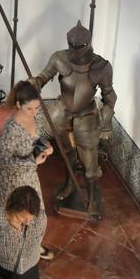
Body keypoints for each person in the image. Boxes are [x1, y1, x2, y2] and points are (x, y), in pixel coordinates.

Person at [30, 20, 116, 215]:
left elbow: (109, 96)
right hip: (62, 111)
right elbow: (43, 77)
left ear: (88, 44)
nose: (75, 50)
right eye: (72, 46)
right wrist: (35, 82)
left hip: (86, 115)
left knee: (89, 159)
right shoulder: (59, 58)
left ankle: (92, 196)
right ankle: (69, 183)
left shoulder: (101, 66)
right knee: (66, 152)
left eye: (79, 47)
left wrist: (107, 119)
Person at [0, 81, 54, 259]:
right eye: (29, 109)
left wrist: (46, 146)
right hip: (9, 178)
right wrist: (34, 161)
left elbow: (39, 138)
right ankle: (7, 252)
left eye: (37, 108)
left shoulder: (37, 118)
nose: (34, 112)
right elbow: (8, 160)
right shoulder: (10, 129)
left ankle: (34, 246)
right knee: (11, 216)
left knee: (37, 214)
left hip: (29, 174)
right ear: (18, 105)